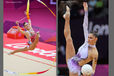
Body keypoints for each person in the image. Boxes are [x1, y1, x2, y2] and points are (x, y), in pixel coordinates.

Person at [63, 2, 98, 76]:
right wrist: (86, 12)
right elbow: (85, 25)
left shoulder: (95, 53)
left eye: (91, 38)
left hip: (75, 68)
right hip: (72, 59)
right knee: (69, 39)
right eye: (88, 37)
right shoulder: (87, 41)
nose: (88, 39)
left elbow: (93, 70)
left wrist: (88, 74)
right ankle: (67, 18)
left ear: (95, 39)